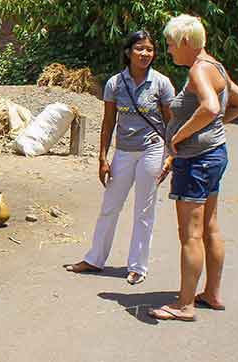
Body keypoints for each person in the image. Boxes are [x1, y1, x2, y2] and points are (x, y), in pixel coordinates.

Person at [149, 15, 238, 322]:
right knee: (210, 227)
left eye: (170, 43)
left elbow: (211, 107)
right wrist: (210, 131)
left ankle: (184, 305)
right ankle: (212, 294)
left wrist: (179, 136)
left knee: (190, 234)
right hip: (213, 156)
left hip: (196, 162)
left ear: (186, 42)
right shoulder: (216, 65)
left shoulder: (198, 70)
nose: (168, 50)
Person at [65, 30, 176, 285]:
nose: (145, 53)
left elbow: (172, 123)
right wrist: (103, 158)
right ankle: (94, 259)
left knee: (144, 210)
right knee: (110, 206)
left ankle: (138, 266)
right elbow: (108, 123)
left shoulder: (161, 83)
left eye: (149, 49)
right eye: (139, 48)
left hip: (152, 150)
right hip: (123, 152)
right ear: (128, 52)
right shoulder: (115, 83)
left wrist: (171, 156)